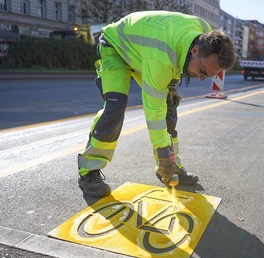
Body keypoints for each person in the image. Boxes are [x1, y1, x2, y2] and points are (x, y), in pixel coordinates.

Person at [77, 10, 235, 197]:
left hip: (145, 51)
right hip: (116, 48)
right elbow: (154, 111)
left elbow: (179, 54)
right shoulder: (161, 56)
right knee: (115, 107)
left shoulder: (203, 31)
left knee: (170, 105)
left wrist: (172, 84)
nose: (201, 79)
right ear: (195, 50)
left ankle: (172, 164)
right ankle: (89, 171)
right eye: (201, 71)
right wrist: (162, 156)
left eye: (208, 76)